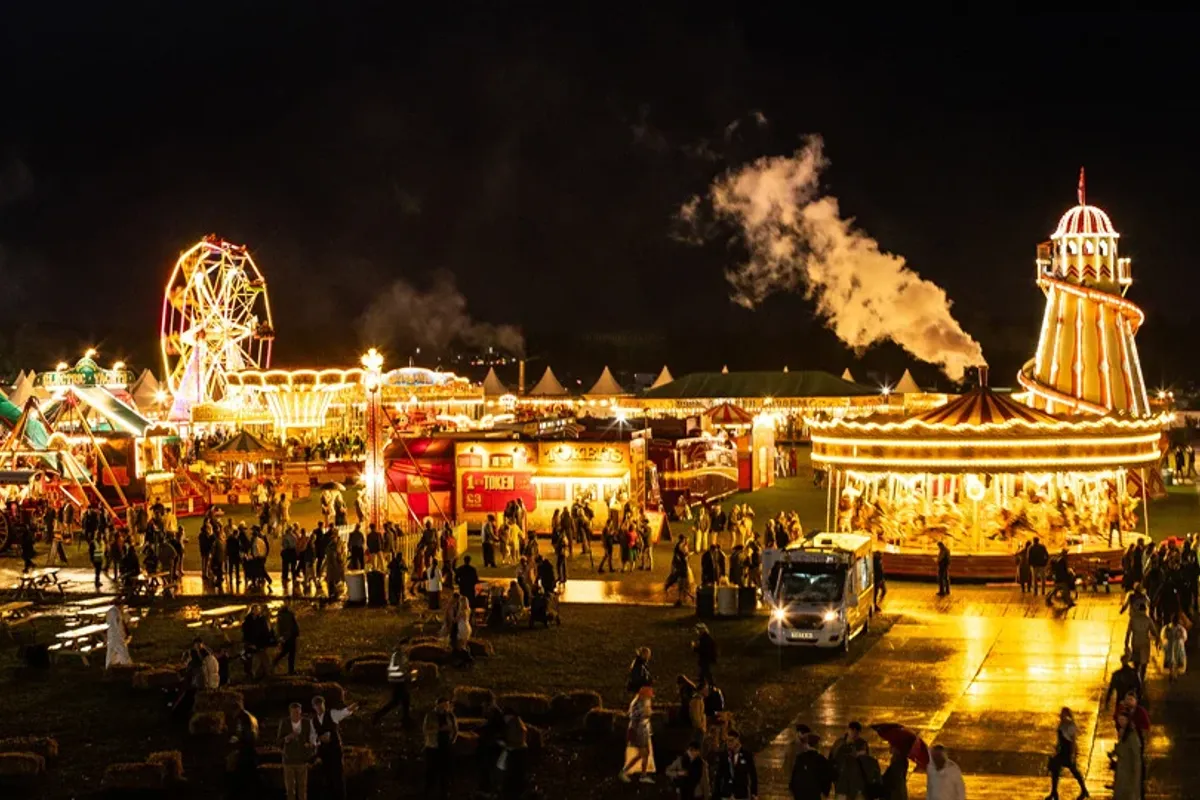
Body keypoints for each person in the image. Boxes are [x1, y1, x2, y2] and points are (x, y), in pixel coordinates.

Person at [312, 695, 357, 800]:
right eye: (317, 705)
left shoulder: (331, 714)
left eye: (320, 704)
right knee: (327, 779)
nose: (319, 707)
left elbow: (344, 712)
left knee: (338, 778)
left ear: (323, 704)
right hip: (323, 752)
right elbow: (313, 737)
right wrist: (319, 739)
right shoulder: (313, 721)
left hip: (335, 750)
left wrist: (353, 707)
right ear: (314, 707)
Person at [1046, 706, 1089, 800]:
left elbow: (1073, 741)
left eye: (1063, 713)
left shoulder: (1070, 725)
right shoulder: (1061, 724)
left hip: (1068, 751)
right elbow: (1059, 739)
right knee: (1055, 769)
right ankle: (1054, 792)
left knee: (1074, 770)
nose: (1061, 715)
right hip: (1062, 751)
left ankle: (1084, 790)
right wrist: (1056, 747)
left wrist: (1073, 754)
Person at [278, 702, 316, 800]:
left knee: (302, 788)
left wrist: (310, 746)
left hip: (302, 760)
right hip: (288, 760)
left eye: (298, 713)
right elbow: (278, 740)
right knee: (290, 789)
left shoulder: (307, 723)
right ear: (290, 712)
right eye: (294, 713)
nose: (296, 715)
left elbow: (312, 738)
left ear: (301, 712)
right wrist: (287, 738)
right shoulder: (285, 722)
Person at [784, 724, 833, 800]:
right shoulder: (793, 748)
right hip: (800, 783)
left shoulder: (804, 746)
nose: (807, 737)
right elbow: (788, 766)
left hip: (803, 783)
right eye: (806, 735)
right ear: (799, 733)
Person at [422, 696, 458, 799]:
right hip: (433, 747)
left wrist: (452, 741)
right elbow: (425, 730)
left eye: (447, 704)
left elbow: (455, 729)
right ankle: (428, 791)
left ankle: (444, 792)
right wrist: (439, 729)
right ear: (437, 705)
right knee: (431, 770)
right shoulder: (430, 715)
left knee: (445, 770)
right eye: (443, 704)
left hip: (446, 747)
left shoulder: (450, 715)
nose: (445, 707)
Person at [372, 642, 414, 727]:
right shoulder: (399, 655)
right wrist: (409, 675)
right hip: (398, 680)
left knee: (403, 700)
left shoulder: (401, 655)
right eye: (407, 645)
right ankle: (378, 715)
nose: (408, 647)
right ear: (402, 646)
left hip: (399, 680)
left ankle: (405, 719)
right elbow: (401, 668)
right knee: (399, 701)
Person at [620, 686, 656, 784]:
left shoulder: (642, 702)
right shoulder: (639, 704)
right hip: (639, 731)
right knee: (643, 754)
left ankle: (632, 772)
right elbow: (637, 718)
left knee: (644, 754)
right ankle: (630, 772)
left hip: (643, 731)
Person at [714, 729, 757, 800]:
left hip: (741, 794)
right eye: (727, 740)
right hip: (726, 793)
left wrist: (754, 793)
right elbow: (719, 776)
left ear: (737, 740)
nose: (728, 743)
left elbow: (753, 775)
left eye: (731, 740)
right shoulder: (724, 755)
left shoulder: (747, 755)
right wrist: (716, 794)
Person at [229, 706, 260, 797]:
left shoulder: (244, 718)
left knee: (243, 773)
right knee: (250, 774)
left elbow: (246, 734)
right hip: (250, 749)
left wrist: (238, 739)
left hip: (246, 750)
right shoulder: (250, 717)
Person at [1111, 712, 1142, 800]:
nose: (1121, 722)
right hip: (1122, 769)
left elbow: (1136, 756)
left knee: (1128, 794)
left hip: (1129, 770)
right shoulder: (1122, 733)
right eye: (1119, 720)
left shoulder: (1132, 736)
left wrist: (1136, 774)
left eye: (1123, 720)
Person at [273, 601, 300, 675]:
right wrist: (282, 636)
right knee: (285, 652)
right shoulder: (283, 614)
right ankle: (274, 662)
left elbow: (294, 623)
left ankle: (291, 670)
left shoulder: (290, 613)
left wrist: (296, 632)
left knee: (291, 653)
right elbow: (281, 626)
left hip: (292, 635)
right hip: (287, 636)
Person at [1162, 613, 1188, 681]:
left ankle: (1173, 674)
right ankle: (1173, 674)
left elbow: (1163, 637)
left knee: (1173, 661)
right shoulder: (1180, 628)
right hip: (1175, 647)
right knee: (1173, 661)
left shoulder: (1168, 627)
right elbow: (1184, 637)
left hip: (1173, 647)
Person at [104, 604, 132, 668]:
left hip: (116, 636)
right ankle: (127, 666)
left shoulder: (117, 611)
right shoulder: (113, 612)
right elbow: (115, 625)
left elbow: (122, 623)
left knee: (114, 652)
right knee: (121, 652)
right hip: (115, 636)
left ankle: (110, 667)